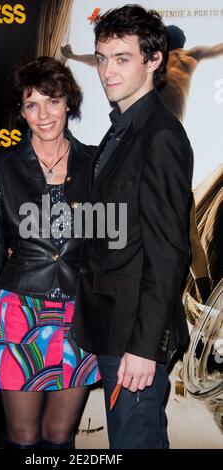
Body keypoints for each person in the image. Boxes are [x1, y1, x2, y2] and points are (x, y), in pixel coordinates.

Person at [73, 5, 193, 449]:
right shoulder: (122, 128)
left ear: (154, 60)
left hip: (133, 337)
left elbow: (168, 253)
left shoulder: (159, 135)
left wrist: (144, 347)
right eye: (102, 58)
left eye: (122, 58)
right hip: (113, 326)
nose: (106, 71)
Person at [0, 56, 101, 450]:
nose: (43, 115)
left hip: (79, 317)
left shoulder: (95, 164)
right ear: (21, 111)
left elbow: (108, 246)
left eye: (53, 101)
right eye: (32, 104)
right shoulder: (2, 168)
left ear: (69, 105)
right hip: (18, 314)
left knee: (59, 436)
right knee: (23, 438)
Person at [61, 26, 223, 305]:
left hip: (158, 146)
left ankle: (203, 295)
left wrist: (74, 56)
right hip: (150, 144)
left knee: (183, 226)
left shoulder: (154, 61)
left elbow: (104, 58)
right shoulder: (184, 57)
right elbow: (106, 58)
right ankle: (202, 293)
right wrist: (75, 57)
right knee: (181, 227)